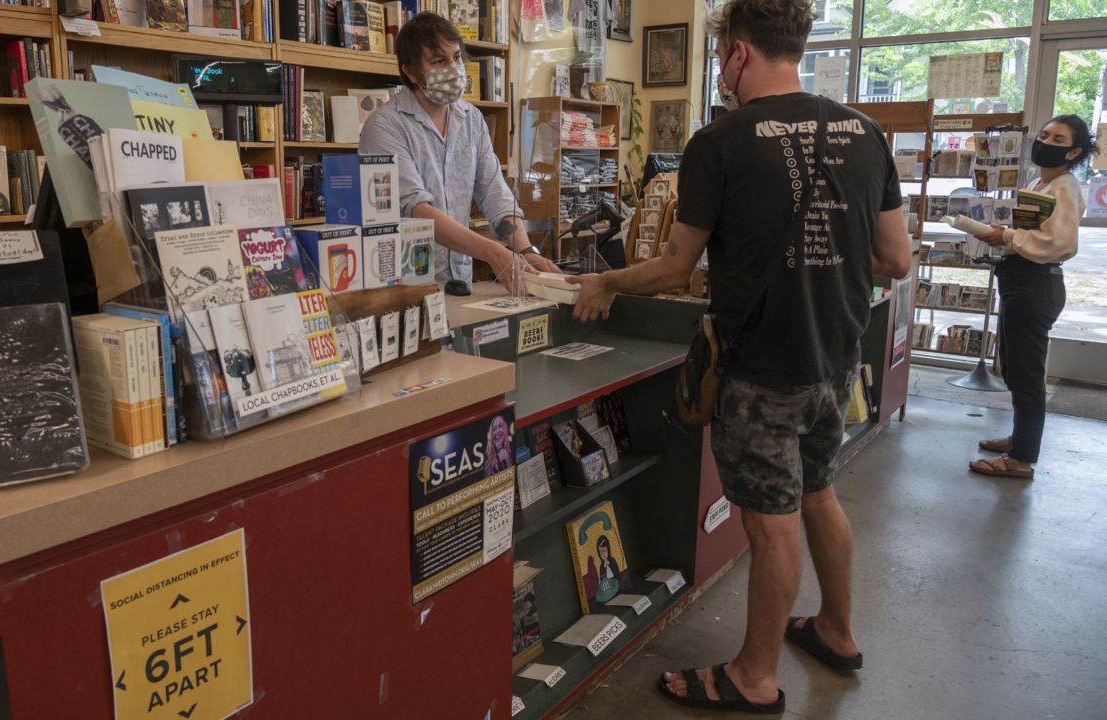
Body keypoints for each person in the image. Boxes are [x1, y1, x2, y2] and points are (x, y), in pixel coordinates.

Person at [566, 0, 911, 712]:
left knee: (770, 521)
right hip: (835, 356)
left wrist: (601, 280)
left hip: (759, 366)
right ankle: (837, 632)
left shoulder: (720, 142)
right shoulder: (867, 132)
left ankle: (754, 678)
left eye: (723, 51)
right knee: (819, 492)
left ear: (740, 52)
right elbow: (894, 259)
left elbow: (671, 268)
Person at [358, 13, 559, 294]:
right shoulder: (384, 126)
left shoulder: (472, 119)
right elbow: (416, 210)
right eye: (439, 61)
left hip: (459, 281)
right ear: (411, 72)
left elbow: (495, 194)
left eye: (457, 57)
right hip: (406, 286)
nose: (453, 68)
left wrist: (526, 250)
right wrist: (493, 252)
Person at [970, 116, 1093, 479]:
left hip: (1036, 285)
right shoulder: (1042, 181)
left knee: (1026, 374)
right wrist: (1005, 236)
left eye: (1058, 138)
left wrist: (1007, 237)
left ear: (1073, 151)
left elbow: (1060, 243)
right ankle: (1021, 437)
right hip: (1020, 280)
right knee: (1012, 365)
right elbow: (1032, 232)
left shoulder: (1065, 187)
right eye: (1043, 135)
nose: (1045, 141)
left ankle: (1021, 458)